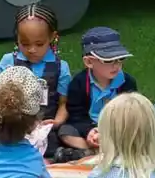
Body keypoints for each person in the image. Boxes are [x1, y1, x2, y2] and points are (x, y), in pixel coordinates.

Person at [0, 4, 72, 153]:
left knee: (56, 140)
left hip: (43, 124)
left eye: (39, 44)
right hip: (10, 123)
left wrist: (57, 121)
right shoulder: (9, 61)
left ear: (52, 37)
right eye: (25, 44)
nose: (32, 50)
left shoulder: (60, 67)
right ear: (16, 38)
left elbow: (63, 104)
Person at [56, 26, 140, 161]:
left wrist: (111, 130)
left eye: (120, 59)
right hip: (89, 129)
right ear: (89, 62)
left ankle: (92, 153)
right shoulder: (79, 83)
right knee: (65, 131)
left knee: (136, 132)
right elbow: (77, 115)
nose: (116, 65)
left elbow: (131, 113)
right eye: (108, 61)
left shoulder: (127, 82)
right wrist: (90, 131)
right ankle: (95, 152)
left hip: (116, 128)